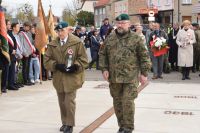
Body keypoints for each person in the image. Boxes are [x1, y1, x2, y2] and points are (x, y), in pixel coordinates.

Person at [99, 14, 151, 133]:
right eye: (118, 23)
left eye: (123, 23)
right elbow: (102, 54)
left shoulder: (136, 38)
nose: (120, 25)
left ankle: (128, 128)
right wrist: (104, 69)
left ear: (128, 24)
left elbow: (144, 57)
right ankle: (121, 126)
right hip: (114, 77)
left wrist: (144, 73)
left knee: (127, 102)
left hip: (130, 77)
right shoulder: (110, 38)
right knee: (117, 102)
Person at [44, 21, 88, 133]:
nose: (60, 33)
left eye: (62, 30)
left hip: (72, 78)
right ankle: (64, 122)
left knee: (69, 102)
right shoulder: (53, 44)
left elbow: (83, 59)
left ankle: (70, 124)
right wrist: (56, 65)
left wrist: (76, 66)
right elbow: (46, 61)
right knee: (62, 102)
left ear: (68, 30)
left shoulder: (77, 42)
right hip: (59, 77)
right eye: (58, 31)